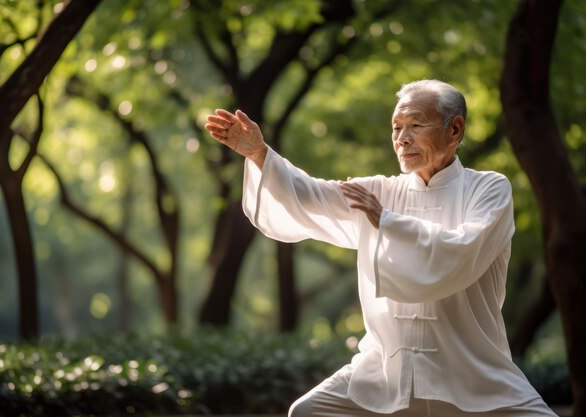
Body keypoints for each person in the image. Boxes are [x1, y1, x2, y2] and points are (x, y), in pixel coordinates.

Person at [204, 80, 557, 417]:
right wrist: (260, 154)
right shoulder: (380, 191)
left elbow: (461, 250)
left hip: (473, 374)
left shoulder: (489, 190)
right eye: (396, 127)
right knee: (309, 411)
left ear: (455, 130)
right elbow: (311, 195)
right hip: (388, 373)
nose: (402, 139)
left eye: (416, 125)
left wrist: (386, 221)